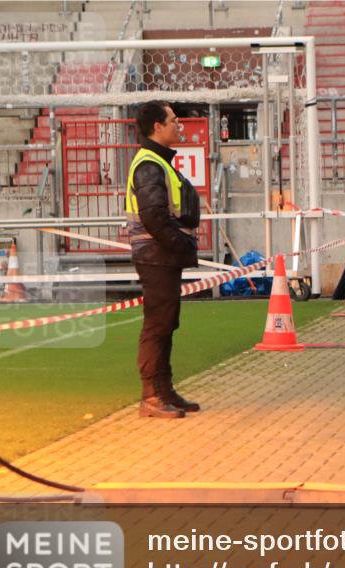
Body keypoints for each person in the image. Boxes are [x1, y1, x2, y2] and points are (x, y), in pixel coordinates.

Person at [125, 101, 201, 418]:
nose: (178, 124)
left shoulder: (157, 162)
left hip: (161, 255)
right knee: (157, 325)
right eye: (173, 120)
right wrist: (182, 243)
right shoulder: (149, 165)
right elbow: (155, 217)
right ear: (157, 126)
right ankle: (152, 396)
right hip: (156, 256)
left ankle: (164, 390)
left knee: (166, 324)